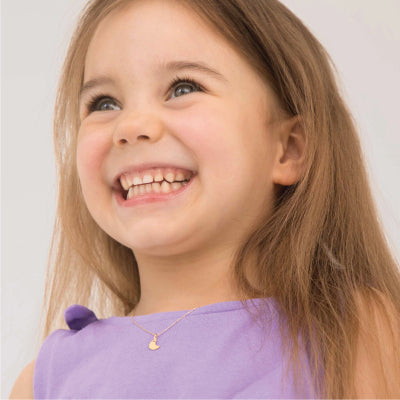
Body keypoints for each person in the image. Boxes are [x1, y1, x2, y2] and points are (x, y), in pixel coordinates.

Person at [10, 0, 400, 398]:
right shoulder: (43, 381)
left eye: (183, 88)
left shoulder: (352, 335)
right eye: (104, 103)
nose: (130, 126)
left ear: (288, 150)